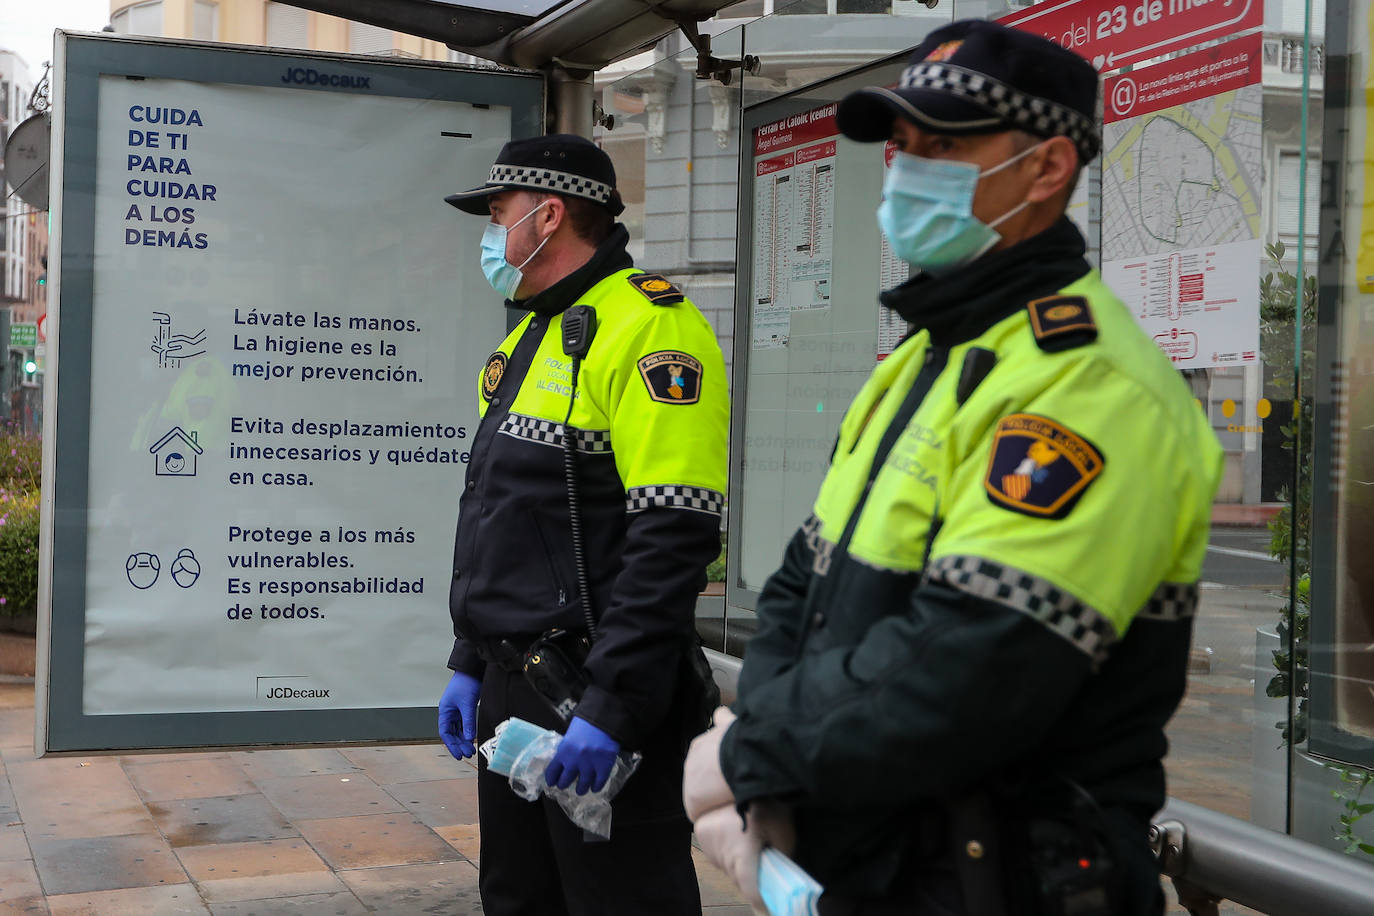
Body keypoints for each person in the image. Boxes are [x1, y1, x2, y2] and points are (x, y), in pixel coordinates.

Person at [682, 19, 1224, 916]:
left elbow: (972, 668)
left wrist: (750, 753)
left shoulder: (1090, 382)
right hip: (878, 862)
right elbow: (798, 589)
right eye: (899, 146)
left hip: (1009, 878)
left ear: (1048, 169)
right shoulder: (924, 359)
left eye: (943, 145)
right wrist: (771, 764)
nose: (904, 170)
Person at [437, 133, 729, 916]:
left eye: (498, 216)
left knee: (619, 899)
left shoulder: (650, 328)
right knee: (518, 897)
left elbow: (675, 536)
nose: (491, 237)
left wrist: (615, 704)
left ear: (548, 215)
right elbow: (502, 519)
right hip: (515, 688)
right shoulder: (530, 333)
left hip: (594, 696)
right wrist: (472, 658)